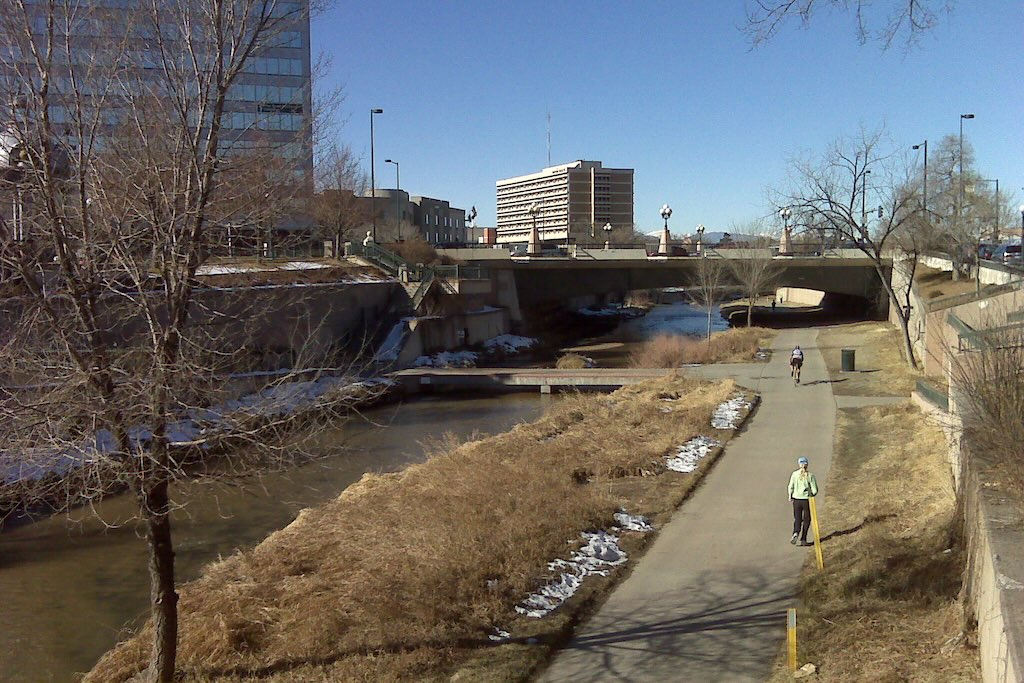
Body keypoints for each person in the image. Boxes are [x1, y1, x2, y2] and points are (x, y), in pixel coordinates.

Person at [788, 456, 819, 546]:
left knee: (797, 518)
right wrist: (812, 494)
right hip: (806, 500)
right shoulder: (810, 476)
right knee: (807, 519)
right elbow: (815, 490)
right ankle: (803, 538)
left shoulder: (794, 474)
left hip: (796, 500)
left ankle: (796, 532)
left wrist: (790, 495)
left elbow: (791, 486)